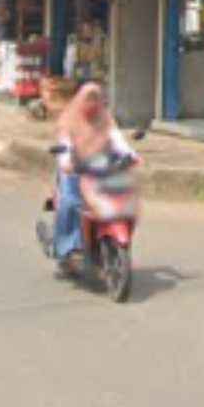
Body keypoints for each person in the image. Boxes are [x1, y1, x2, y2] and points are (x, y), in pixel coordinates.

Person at [49, 83, 136, 273]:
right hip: (75, 168)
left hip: (101, 167)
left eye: (96, 99)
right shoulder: (69, 119)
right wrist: (66, 161)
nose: (92, 104)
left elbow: (117, 139)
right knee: (71, 202)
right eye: (88, 100)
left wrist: (130, 154)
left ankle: (104, 239)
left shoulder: (105, 118)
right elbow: (65, 144)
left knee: (123, 195)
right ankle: (68, 248)